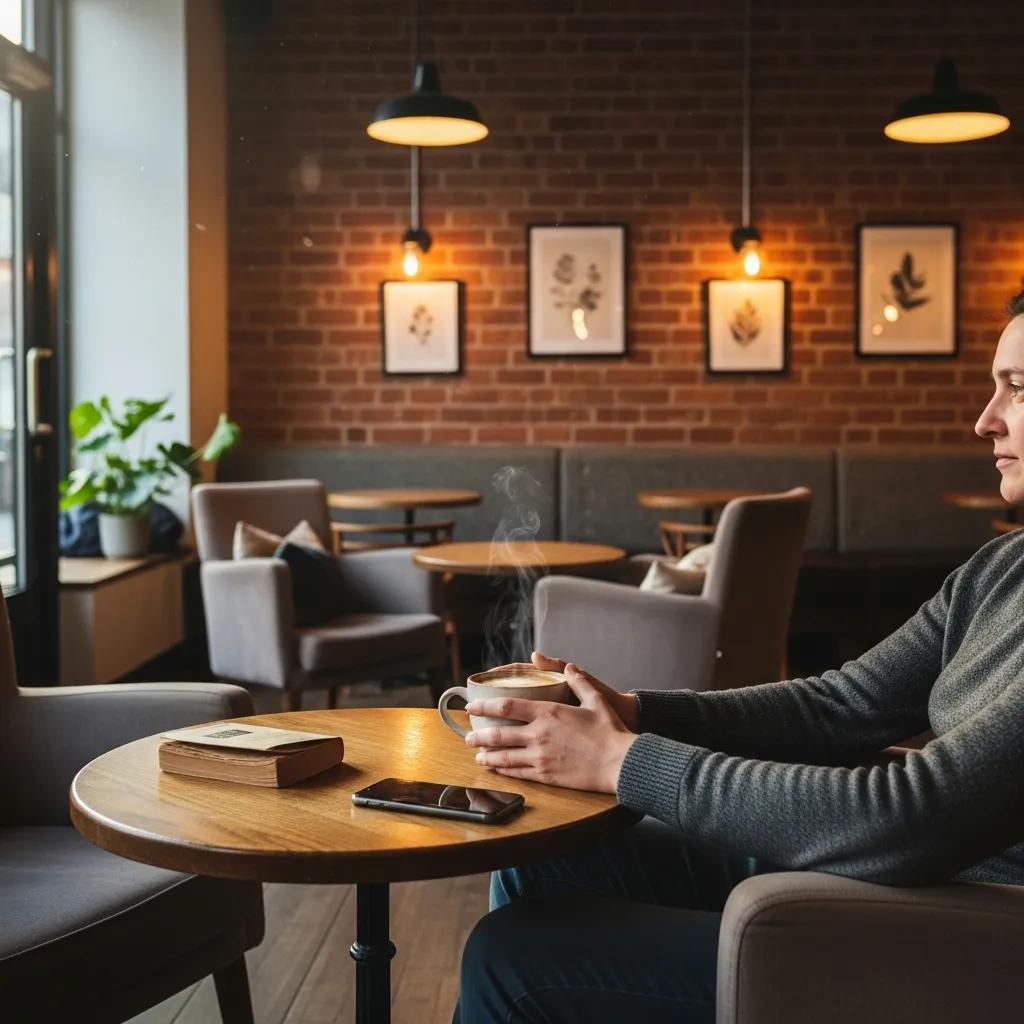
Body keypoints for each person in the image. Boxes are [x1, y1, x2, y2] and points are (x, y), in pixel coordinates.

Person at [453, 291, 1024, 1023]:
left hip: (957, 937)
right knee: (548, 860)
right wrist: (636, 712)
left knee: (510, 960)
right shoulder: (1002, 565)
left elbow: (915, 816)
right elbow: (839, 704)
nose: (985, 418)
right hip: (910, 887)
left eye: (1016, 388)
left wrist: (624, 763)